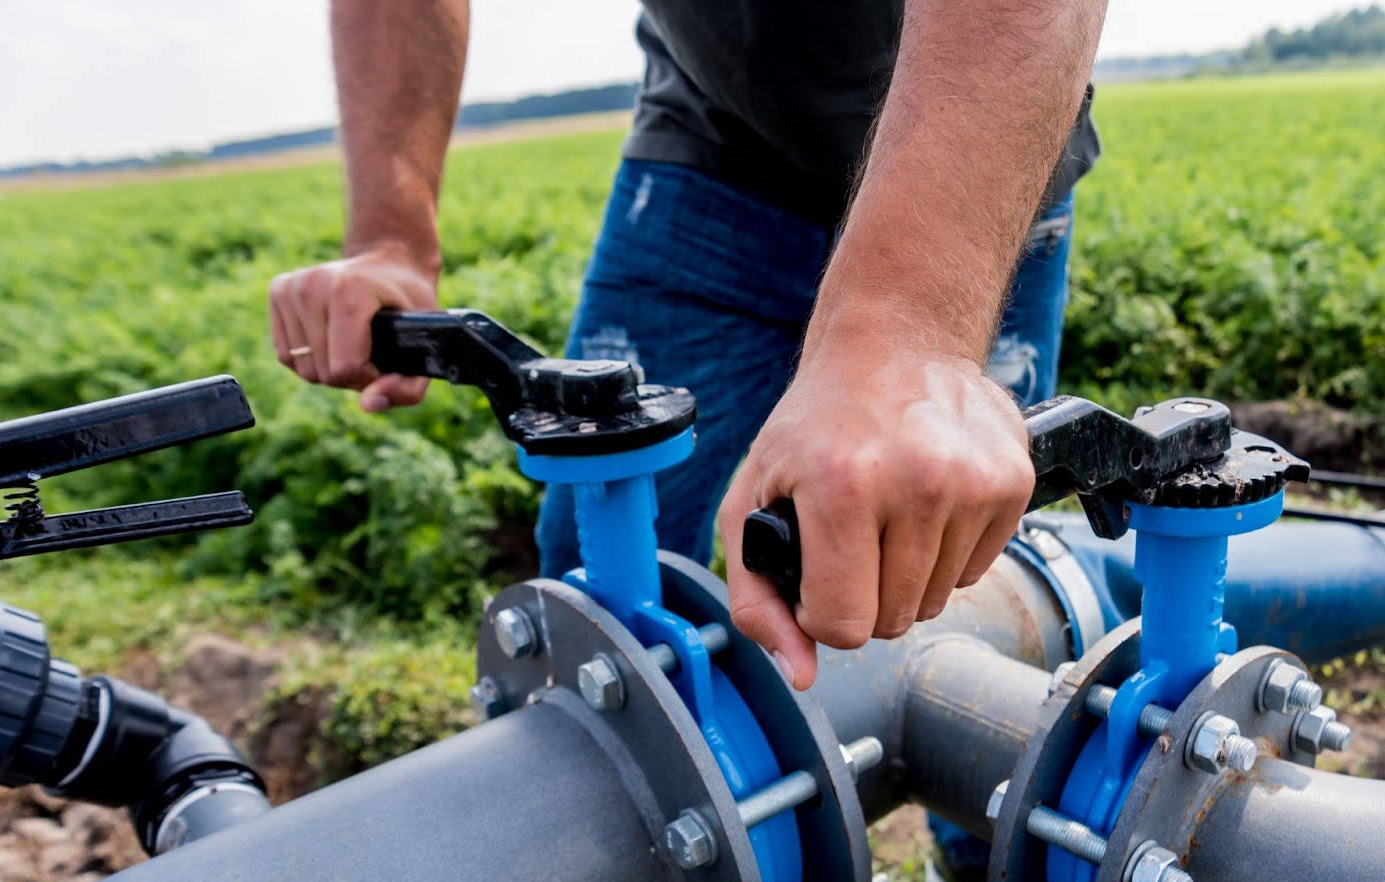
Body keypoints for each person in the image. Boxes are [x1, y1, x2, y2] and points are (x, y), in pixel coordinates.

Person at [269, 0, 1105, 695]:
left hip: (980, 137)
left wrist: (907, 326)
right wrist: (388, 235)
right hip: (714, 146)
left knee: (954, 549)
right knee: (596, 574)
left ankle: (983, 825)